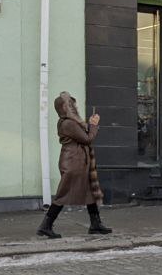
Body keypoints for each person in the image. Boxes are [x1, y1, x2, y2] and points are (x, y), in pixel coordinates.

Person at [37, 92, 112, 239]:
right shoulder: (68, 123)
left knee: (89, 191)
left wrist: (90, 124)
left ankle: (95, 224)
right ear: (65, 107)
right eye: (72, 104)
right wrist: (94, 125)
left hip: (77, 161)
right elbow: (87, 138)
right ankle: (45, 226)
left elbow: (84, 134)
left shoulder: (70, 122)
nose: (76, 106)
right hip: (73, 163)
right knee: (62, 195)